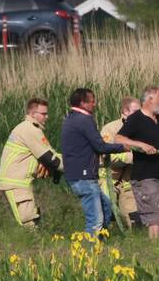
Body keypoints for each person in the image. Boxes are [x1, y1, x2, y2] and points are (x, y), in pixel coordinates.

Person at [61, 87, 153, 236]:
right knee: (96, 220)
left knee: (106, 208)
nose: (95, 104)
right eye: (92, 101)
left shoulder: (71, 119)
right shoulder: (87, 121)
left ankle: (103, 242)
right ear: (83, 103)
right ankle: (90, 250)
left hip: (114, 180)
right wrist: (125, 147)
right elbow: (101, 147)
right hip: (94, 177)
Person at [116, 86, 159, 238]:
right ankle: (154, 253)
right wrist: (141, 145)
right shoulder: (135, 119)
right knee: (155, 219)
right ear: (150, 100)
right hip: (145, 178)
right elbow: (119, 138)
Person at [0, 98, 62, 228]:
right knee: (28, 223)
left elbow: (50, 154)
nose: (47, 117)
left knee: (32, 219)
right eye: (43, 114)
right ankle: (31, 246)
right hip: (16, 182)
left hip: (19, 181)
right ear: (33, 114)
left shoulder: (28, 128)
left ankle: (33, 245)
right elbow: (49, 158)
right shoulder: (30, 129)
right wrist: (74, 167)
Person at [100, 96, 141, 229]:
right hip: (109, 179)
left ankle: (135, 243)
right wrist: (131, 157)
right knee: (105, 216)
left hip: (129, 181)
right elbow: (106, 156)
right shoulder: (110, 129)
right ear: (125, 111)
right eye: (136, 111)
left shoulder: (141, 129)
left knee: (134, 220)